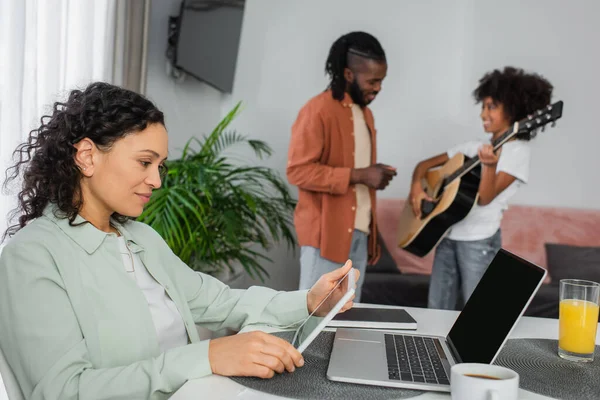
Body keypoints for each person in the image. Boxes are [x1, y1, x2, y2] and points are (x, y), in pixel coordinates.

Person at [0, 82, 358, 400]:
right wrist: (208, 356)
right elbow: (62, 391)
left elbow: (221, 303)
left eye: (160, 165)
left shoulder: (140, 238)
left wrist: (311, 302)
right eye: (144, 162)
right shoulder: (31, 256)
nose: (156, 180)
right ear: (88, 156)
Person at [408, 66, 553, 310]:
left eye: (492, 106)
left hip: (478, 242)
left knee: (477, 311)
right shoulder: (471, 147)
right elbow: (423, 167)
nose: (483, 113)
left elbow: (485, 198)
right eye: (483, 106)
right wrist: (416, 190)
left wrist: (489, 166)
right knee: (437, 307)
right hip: (447, 233)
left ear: (514, 109)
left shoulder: (517, 152)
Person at [287, 31, 397, 302]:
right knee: (314, 318)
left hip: (359, 232)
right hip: (326, 235)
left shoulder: (366, 114)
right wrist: (360, 175)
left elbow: (356, 174)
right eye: (373, 81)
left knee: (348, 319)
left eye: (381, 81)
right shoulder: (318, 109)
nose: (378, 88)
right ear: (349, 74)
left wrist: (373, 176)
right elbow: (297, 170)